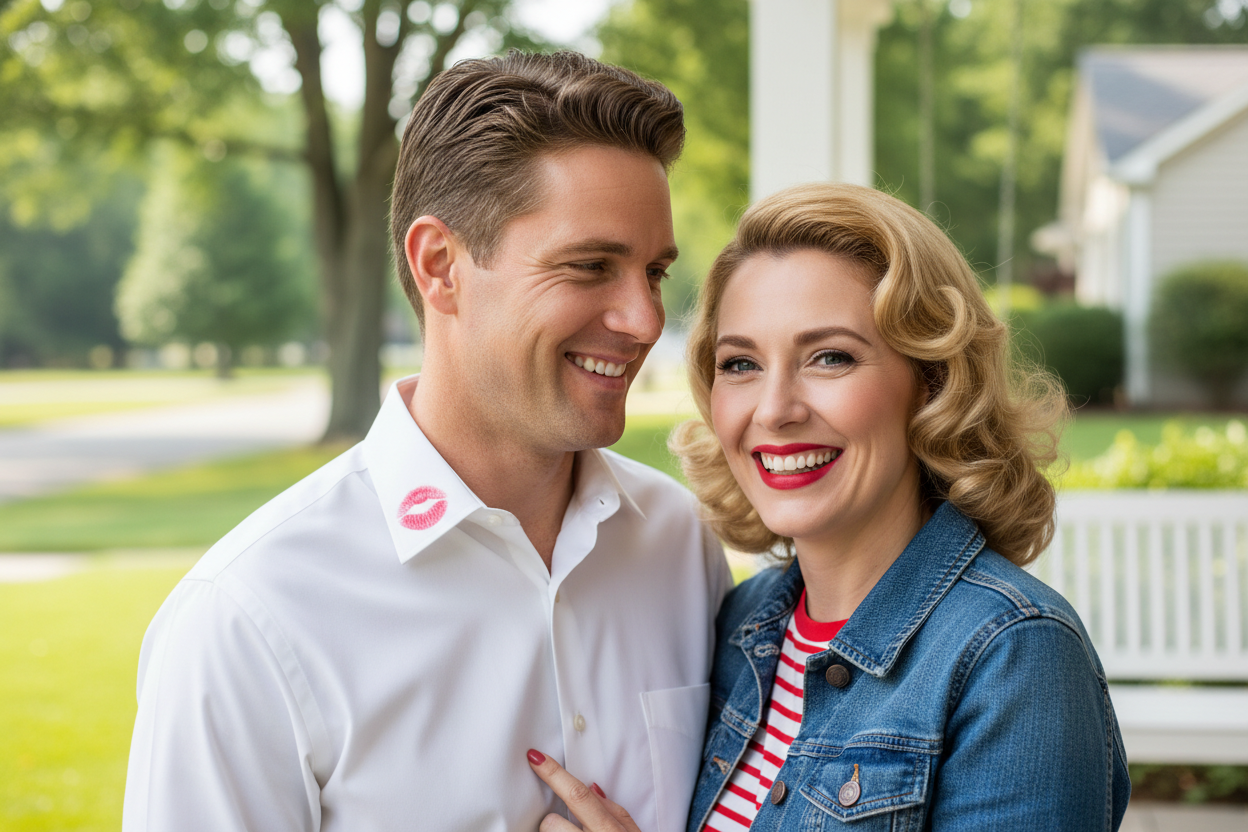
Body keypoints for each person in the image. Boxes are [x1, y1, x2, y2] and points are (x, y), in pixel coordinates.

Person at [122, 51, 730, 832]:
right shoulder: (246, 621)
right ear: (440, 266)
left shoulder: (684, 548)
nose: (646, 321)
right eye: (591, 266)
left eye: (653, 272)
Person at [526, 182, 1131, 830]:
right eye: (740, 364)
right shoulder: (744, 626)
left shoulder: (1014, 655)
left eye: (830, 357)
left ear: (932, 382)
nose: (775, 409)